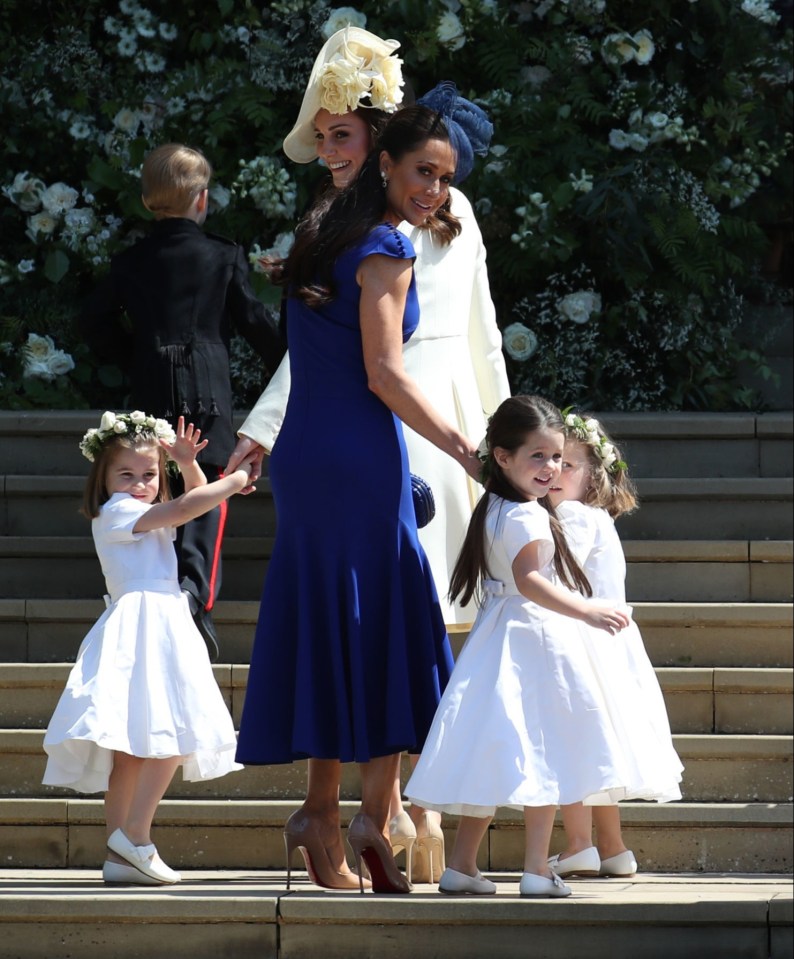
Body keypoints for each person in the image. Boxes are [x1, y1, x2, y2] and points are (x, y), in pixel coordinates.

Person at [227, 27, 509, 883]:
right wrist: (470, 449)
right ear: (388, 162)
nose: (435, 189)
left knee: (334, 619)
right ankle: (367, 821)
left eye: (444, 176)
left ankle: (330, 813)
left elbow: (333, 355)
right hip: (364, 445)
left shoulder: (321, 227)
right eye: (424, 171)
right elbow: (386, 373)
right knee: (386, 622)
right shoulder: (384, 245)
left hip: (317, 451)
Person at [405, 395, 641, 898]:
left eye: (557, 457)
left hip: (497, 637)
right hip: (536, 637)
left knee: (493, 750)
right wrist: (589, 609)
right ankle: (537, 868)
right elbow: (530, 579)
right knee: (544, 750)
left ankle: (463, 864)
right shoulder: (529, 515)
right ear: (503, 456)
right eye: (538, 456)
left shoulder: (494, 504)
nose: (551, 468)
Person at [79, 143, 285, 662]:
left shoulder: (130, 260)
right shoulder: (222, 253)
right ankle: (194, 595)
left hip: (151, 389)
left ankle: (170, 591)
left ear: (150, 200)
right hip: (208, 390)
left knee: (158, 489)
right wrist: (291, 362)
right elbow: (255, 323)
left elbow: (93, 322)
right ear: (202, 198)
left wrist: (133, 356)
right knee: (207, 495)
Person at [42, 411, 257, 886]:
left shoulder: (144, 511)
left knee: (135, 752)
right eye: (127, 474)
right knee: (173, 732)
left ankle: (121, 856)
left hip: (158, 620)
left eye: (149, 475)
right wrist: (237, 478)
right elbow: (185, 509)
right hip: (145, 622)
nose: (139, 484)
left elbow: (193, 504)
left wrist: (186, 464)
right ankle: (135, 835)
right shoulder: (118, 512)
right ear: (105, 478)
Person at [544, 410, 683, 878]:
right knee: (599, 749)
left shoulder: (571, 515)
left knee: (574, 744)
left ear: (593, 475)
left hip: (583, 643)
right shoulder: (597, 516)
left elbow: (554, 576)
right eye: (554, 460)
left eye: (570, 465)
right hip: (609, 645)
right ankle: (613, 847)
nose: (556, 472)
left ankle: (580, 843)